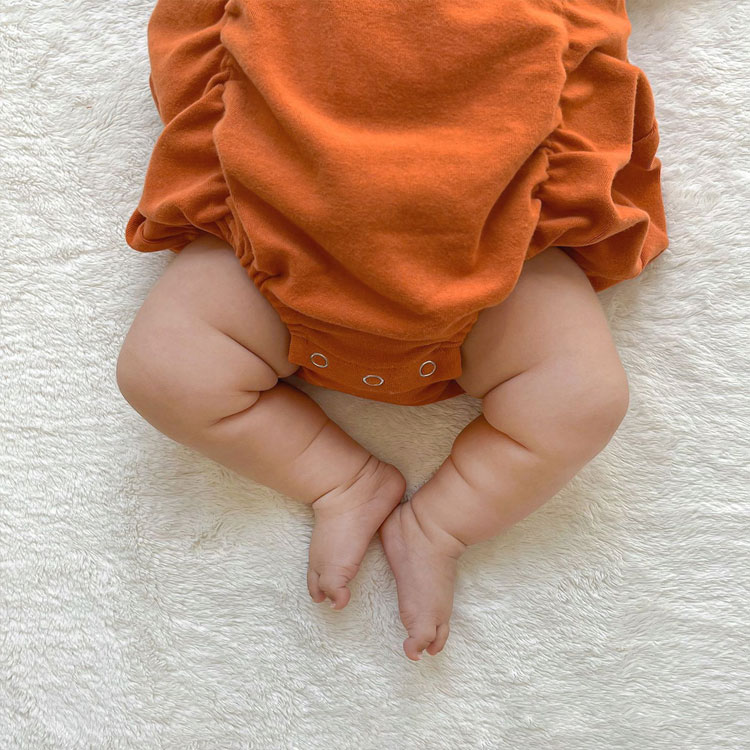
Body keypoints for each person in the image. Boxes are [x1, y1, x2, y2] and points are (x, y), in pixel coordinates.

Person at [116, 0, 669, 661]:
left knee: (583, 402)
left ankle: (439, 525)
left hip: (498, 240)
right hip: (278, 227)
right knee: (162, 373)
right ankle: (340, 480)